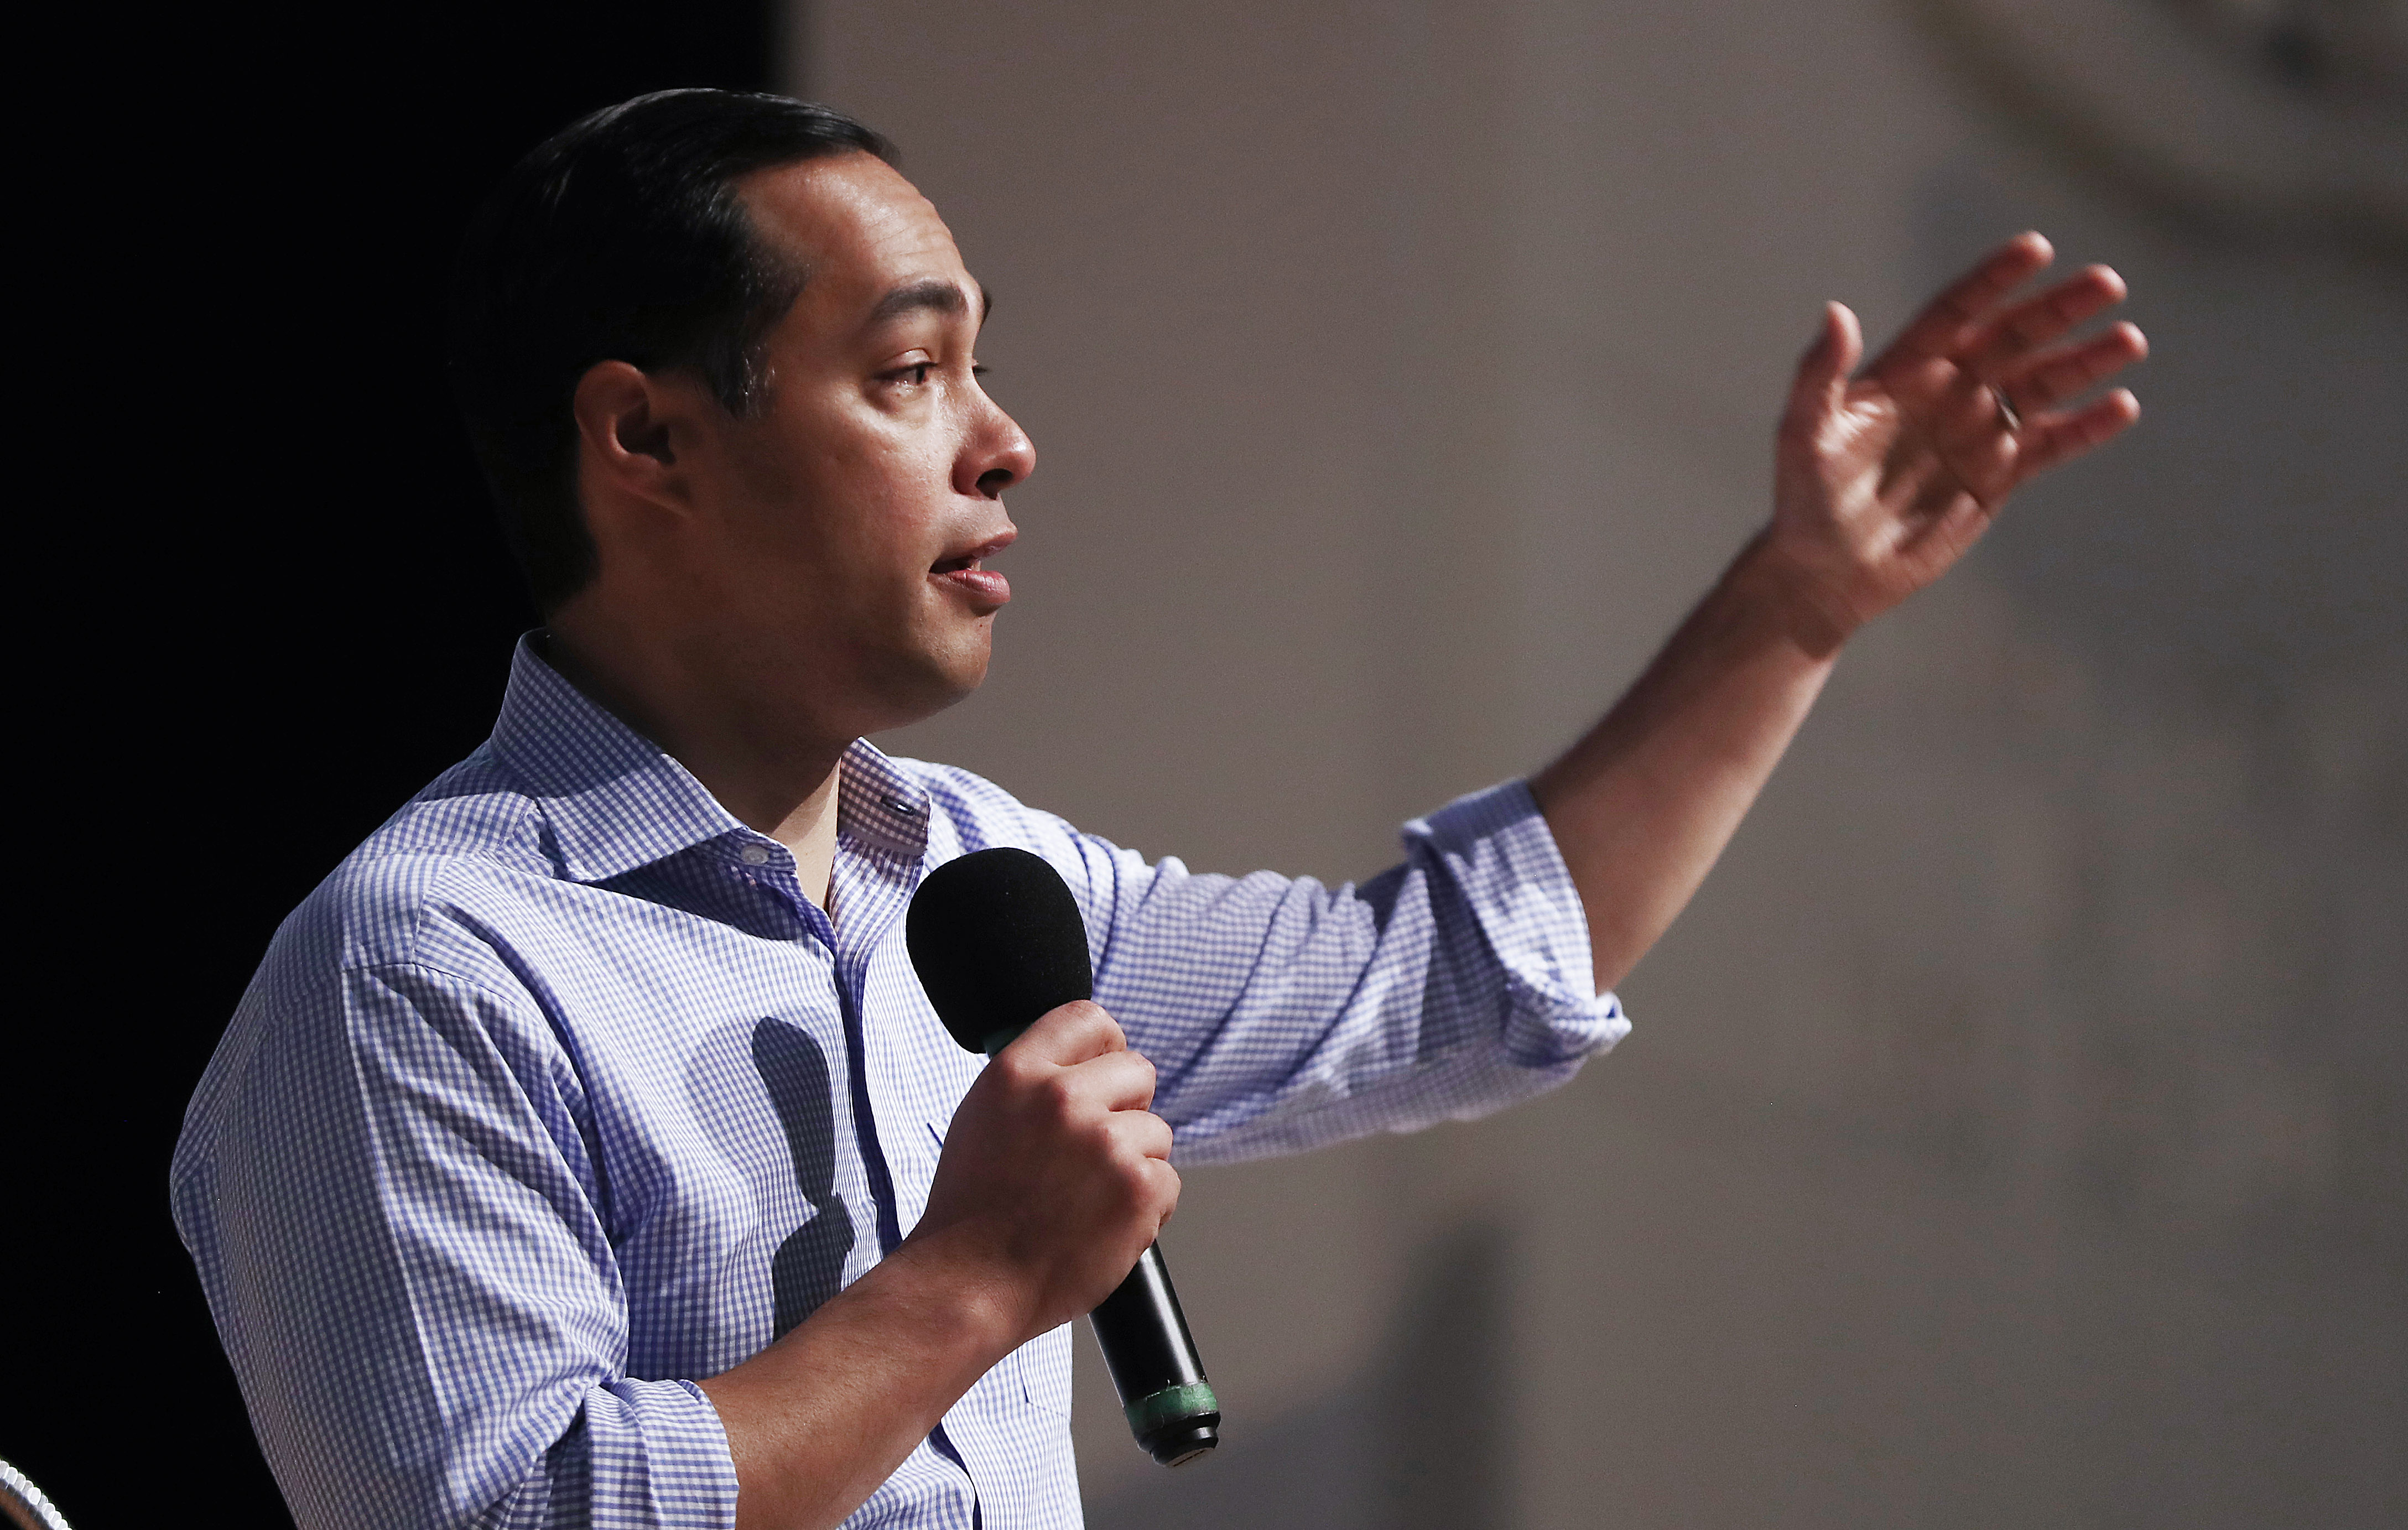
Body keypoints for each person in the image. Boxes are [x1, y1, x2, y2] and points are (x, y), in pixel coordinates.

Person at [169, 89, 2143, 1530]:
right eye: (911, 373)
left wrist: (1793, 606)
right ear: (648, 438)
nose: (1007, 442)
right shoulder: (424, 969)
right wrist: (972, 1286)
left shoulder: (973, 882)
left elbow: (1436, 983)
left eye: (982, 371)